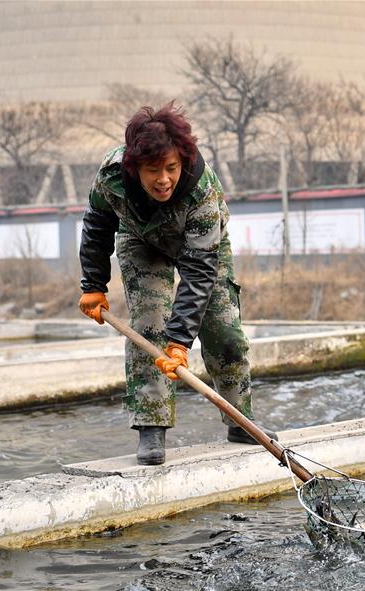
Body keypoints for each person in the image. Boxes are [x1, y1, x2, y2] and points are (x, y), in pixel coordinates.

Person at [77, 102, 276, 465]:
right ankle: (151, 426)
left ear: (182, 161)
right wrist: (93, 284)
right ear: (135, 167)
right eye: (153, 170)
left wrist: (181, 341)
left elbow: (199, 271)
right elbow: (97, 226)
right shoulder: (111, 177)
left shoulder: (202, 189)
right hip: (140, 241)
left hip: (202, 247)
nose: (163, 179)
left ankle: (240, 420)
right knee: (149, 326)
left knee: (225, 332)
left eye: (171, 168)